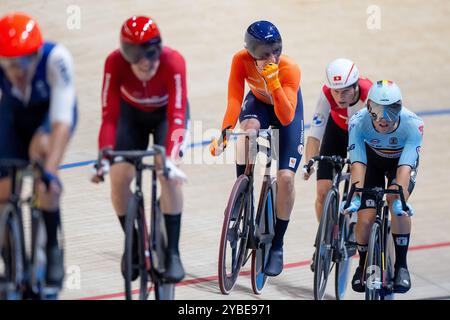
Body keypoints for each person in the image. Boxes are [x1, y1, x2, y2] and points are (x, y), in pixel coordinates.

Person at [91, 16, 189, 283]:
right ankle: (133, 242)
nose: (146, 61)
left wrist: (169, 158)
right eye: (136, 54)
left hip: (165, 118)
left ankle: (172, 253)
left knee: (168, 176)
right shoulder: (114, 63)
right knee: (119, 177)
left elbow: (178, 114)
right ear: (125, 53)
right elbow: (109, 116)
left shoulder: (174, 62)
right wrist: (104, 154)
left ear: (160, 48)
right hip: (129, 116)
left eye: (151, 52)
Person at [210, 20, 304, 277]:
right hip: (259, 104)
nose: (272, 57)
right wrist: (225, 134)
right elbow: (233, 99)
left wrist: (273, 81)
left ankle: (278, 244)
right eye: (265, 53)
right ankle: (243, 192)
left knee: (285, 178)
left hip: (285, 107)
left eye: (276, 50)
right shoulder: (240, 60)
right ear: (251, 52)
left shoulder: (289, 69)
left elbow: (285, 117)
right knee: (247, 131)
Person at [0, 12, 78, 288]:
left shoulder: (56, 59)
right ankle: (11, 259)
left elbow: (61, 121)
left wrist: (51, 171)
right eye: (8, 64)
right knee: (3, 190)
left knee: (44, 168)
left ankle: (52, 248)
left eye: (22, 63)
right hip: (13, 117)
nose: (16, 71)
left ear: (35, 55)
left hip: (48, 120)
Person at [345, 80, 423, 293]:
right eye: (378, 110)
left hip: (400, 165)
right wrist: (356, 197)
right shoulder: (357, 122)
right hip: (372, 164)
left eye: (391, 111)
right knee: (365, 217)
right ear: (368, 106)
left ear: (400, 108)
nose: (384, 119)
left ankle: (401, 266)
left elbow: (404, 170)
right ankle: (362, 265)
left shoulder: (413, 124)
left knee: (397, 203)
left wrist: (400, 201)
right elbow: (358, 164)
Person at [302, 58, 372, 271]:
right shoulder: (326, 94)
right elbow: (315, 134)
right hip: (337, 133)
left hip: (363, 139)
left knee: (357, 190)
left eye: (344, 91)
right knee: (323, 192)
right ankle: (325, 239)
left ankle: (351, 225)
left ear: (355, 86)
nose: (339, 97)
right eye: (335, 91)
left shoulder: (370, 95)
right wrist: (310, 163)